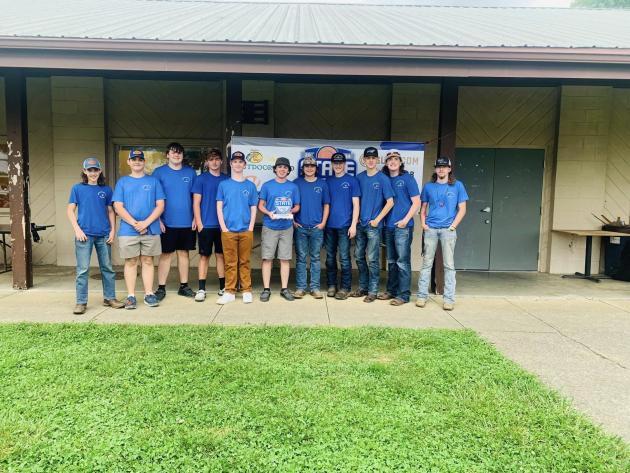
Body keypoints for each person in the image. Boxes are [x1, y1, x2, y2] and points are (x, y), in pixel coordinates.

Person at [67, 157, 124, 314]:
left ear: (100, 171)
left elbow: (111, 211)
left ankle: (110, 298)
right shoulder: (77, 189)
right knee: (83, 269)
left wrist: (112, 231)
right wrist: (77, 230)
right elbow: (70, 210)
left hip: (104, 234)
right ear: (84, 171)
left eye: (95, 170)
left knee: (107, 268)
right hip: (84, 235)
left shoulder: (106, 190)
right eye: (89, 170)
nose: (93, 173)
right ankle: (81, 302)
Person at [112, 149, 165, 309]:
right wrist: (136, 223)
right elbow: (118, 206)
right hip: (129, 230)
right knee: (131, 261)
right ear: (129, 162)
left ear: (144, 162)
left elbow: (160, 205)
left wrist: (145, 223)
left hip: (150, 229)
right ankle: (131, 296)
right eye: (133, 159)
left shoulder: (153, 181)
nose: (137, 162)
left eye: (140, 159)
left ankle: (149, 294)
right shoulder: (122, 182)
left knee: (148, 261)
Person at [416, 156, 468, 311]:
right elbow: (423, 208)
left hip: (448, 230)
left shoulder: (458, 186)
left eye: (444, 167)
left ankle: (449, 299)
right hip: (431, 229)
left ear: (449, 169)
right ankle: (421, 296)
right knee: (426, 264)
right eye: (439, 167)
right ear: (435, 169)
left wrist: (453, 226)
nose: (441, 169)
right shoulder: (428, 187)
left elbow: (463, 208)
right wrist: (424, 224)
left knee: (449, 265)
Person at [152, 142, 197, 301]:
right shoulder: (158, 173)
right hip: (166, 222)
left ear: (182, 155)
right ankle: (161, 288)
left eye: (179, 153)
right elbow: (153, 198)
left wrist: (195, 218)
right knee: (165, 255)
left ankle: (184, 286)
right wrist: (157, 219)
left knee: (184, 254)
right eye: (173, 152)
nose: (176, 155)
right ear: (167, 155)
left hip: (187, 222)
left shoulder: (190, 173)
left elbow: (196, 198)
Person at [351, 146, 394, 302]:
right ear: (364, 160)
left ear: (377, 160)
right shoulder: (359, 178)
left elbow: (390, 202)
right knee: (358, 256)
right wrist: (354, 222)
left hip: (374, 226)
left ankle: (373, 291)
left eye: (373, 158)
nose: (370, 160)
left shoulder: (383, 178)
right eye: (367, 158)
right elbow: (355, 202)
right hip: (360, 224)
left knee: (373, 258)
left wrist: (377, 219)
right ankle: (363, 287)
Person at [378, 151, 420, 306]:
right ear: (386, 163)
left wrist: (405, 220)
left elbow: (416, 202)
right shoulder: (385, 179)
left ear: (401, 162)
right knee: (391, 261)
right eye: (390, 159)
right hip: (388, 226)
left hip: (403, 227)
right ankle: (391, 291)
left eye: (396, 159)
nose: (393, 162)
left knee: (402, 261)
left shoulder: (407, 178)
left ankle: (403, 295)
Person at [216, 151, 258, 305]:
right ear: (231, 164)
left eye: (241, 162)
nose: (238, 164)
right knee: (230, 262)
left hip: (246, 230)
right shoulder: (224, 184)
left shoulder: (250, 185)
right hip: (228, 231)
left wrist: (251, 227)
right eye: (235, 161)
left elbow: (254, 207)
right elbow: (219, 207)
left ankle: (246, 290)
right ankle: (230, 291)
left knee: (245, 261)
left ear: (245, 165)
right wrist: (224, 227)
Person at [258, 157, 300, 302]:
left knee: (285, 259)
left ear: (288, 170)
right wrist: (269, 213)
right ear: (275, 169)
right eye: (280, 167)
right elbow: (261, 205)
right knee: (267, 258)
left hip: (287, 227)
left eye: (285, 167)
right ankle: (266, 289)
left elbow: (297, 206)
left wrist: (290, 211)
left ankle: (284, 289)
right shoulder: (267, 185)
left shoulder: (293, 187)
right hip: (270, 226)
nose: (282, 169)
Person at [192, 148, 228, 302]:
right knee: (204, 257)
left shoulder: (227, 179)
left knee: (221, 256)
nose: (214, 162)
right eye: (211, 159)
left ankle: (223, 287)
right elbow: (196, 202)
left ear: (221, 161)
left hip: (222, 226)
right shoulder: (201, 179)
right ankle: (201, 289)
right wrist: (199, 222)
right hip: (206, 224)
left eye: (216, 159)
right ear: (207, 162)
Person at [293, 156, 330, 299]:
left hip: (317, 228)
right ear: (303, 168)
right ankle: (301, 288)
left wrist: (323, 223)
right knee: (301, 258)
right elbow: (290, 206)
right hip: (300, 227)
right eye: (306, 166)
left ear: (316, 168)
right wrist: (293, 222)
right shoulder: (296, 184)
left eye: (312, 166)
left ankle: (315, 288)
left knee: (315, 258)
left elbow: (326, 205)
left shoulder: (322, 184)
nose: (309, 168)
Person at [324, 152, 360, 300]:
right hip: (329, 226)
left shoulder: (352, 181)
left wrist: (353, 225)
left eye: (340, 163)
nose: (338, 165)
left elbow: (356, 205)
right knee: (330, 257)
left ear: (344, 164)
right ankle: (332, 285)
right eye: (335, 163)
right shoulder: (327, 181)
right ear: (332, 165)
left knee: (344, 258)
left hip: (345, 226)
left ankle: (345, 288)